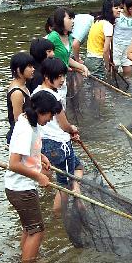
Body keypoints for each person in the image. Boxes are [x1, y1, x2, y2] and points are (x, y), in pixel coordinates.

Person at [5, 90, 58, 262]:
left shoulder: (29, 122)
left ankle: (25, 256)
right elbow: (14, 163)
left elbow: (26, 151)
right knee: (37, 230)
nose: (50, 120)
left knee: (29, 228)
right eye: (50, 115)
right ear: (41, 111)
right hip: (21, 188)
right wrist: (38, 176)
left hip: (20, 187)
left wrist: (40, 156)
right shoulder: (25, 129)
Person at [33, 57, 83, 211]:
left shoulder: (35, 93)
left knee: (78, 166)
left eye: (63, 76)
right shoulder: (54, 97)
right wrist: (72, 129)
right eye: (58, 76)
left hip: (44, 144)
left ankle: (77, 195)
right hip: (60, 145)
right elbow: (64, 125)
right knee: (64, 185)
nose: (62, 80)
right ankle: (58, 218)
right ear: (47, 77)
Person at [44, 8, 91, 78]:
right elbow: (44, 59)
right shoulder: (53, 37)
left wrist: (82, 67)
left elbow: (66, 58)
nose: (73, 21)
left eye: (73, 18)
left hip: (62, 78)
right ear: (60, 20)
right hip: (52, 78)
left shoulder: (69, 37)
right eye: (70, 18)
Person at [84, 0, 121, 77]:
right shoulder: (108, 25)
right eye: (116, 8)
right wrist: (107, 66)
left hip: (89, 58)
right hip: (98, 60)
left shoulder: (97, 21)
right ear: (109, 10)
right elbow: (105, 50)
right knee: (100, 88)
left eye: (120, 7)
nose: (119, 10)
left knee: (92, 85)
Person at [6, 52, 34, 144]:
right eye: (29, 67)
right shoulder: (17, 92)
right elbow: (18, 120)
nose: (33, 69)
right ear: (18, 70)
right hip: (19, 137)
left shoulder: (23, 86)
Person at [113, 0, 132, 76]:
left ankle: (129, 88)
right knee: (114, 71)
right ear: (123, 5)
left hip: (129, 47)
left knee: (129, 72)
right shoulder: (118, 15)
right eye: (128, 6)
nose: (131, 9)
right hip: (116, 46)